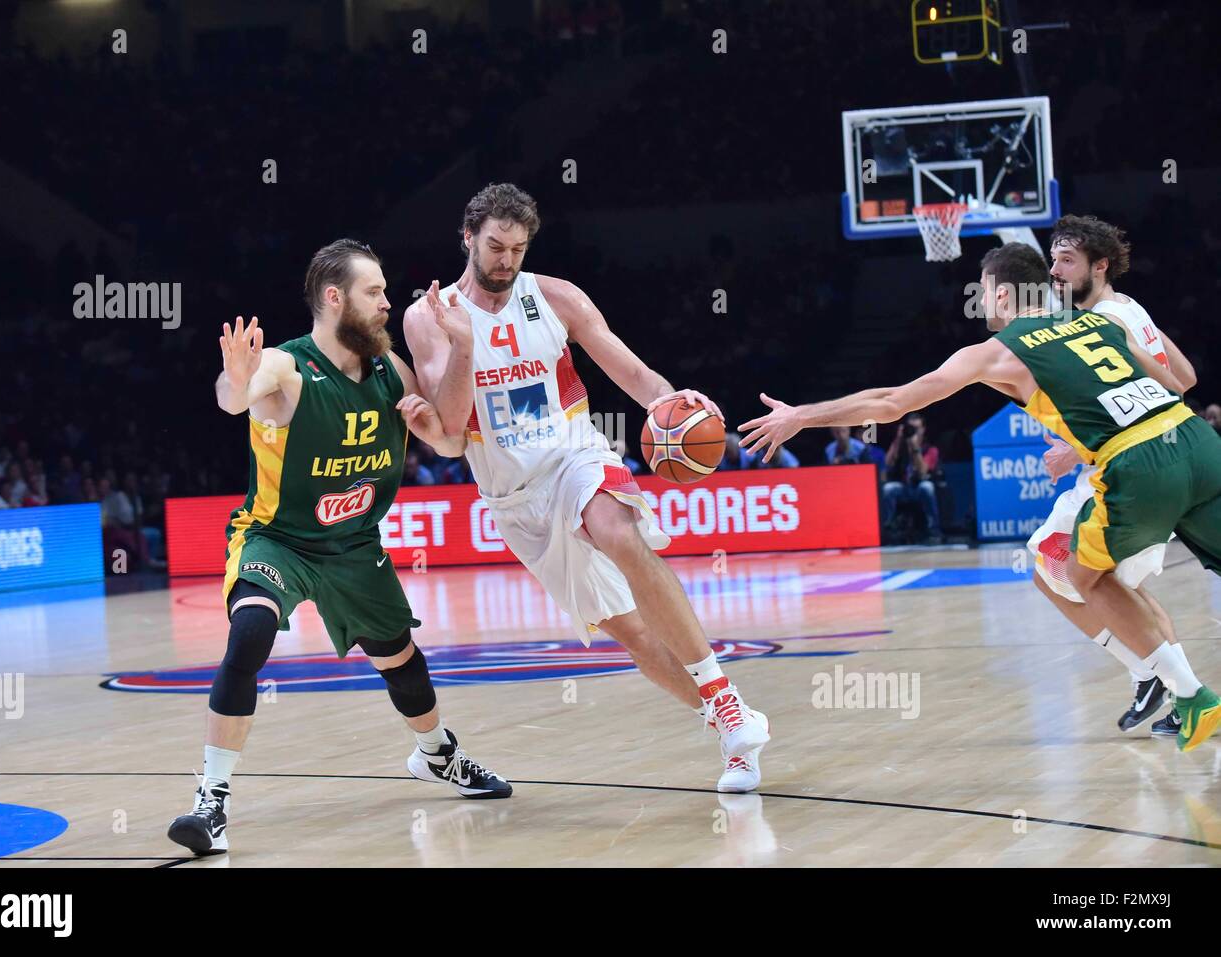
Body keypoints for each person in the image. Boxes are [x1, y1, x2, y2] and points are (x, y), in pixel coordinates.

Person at [740, 242, 1221, 752]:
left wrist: (800, 417)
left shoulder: (997, 352)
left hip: (1136, 463)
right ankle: (1163, 679)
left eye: (983, 291)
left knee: (1080, 574)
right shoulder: (1104, 323)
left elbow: (890, 402)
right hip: (1197, 442)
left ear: (1002, 293)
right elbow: (1173, 383)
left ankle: (1189, 694)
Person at [404, 184, 770, 792]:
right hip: (514, 500)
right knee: (635, 636)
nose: (506, 260)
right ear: (468, 238)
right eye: (496, 246)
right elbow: (447, 419)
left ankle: (726, 698)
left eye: (518, 248)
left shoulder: (557, 298)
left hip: (574, 454)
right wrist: (464, 343)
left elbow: (627, 367)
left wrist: (670, 398)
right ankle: (730, 725)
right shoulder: (429, 317)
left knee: (616, 531)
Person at [168, 239, 510, 857]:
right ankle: (211, 803)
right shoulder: (286, 367)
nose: (386, 303)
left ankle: (437, 754)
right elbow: (234, 395)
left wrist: (455, 367)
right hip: (279, 538)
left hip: (355, 545)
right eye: (374, 292)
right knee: (249, 638)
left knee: (401, 660)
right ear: (335, 298)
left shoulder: (393, 372)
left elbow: (452, 447)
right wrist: (237, 380)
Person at [1033, 215, 1199, 735]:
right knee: (1070, 573)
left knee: (1073, 578)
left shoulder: (1106, 320)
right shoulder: (1129, 307)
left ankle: (1163, 682)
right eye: (1053, 259)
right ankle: (1164, 687)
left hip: (1131, 475)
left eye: (1067, 260)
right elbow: (1184, 379)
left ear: (1098, 265)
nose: (1055, 269)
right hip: (1149, 467)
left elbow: (1159, 397)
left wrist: (1074, 451)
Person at [881, 413, 941, 543]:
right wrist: (898, 439)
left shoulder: (930, 449)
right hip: (903, 487)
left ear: (923, 429)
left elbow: (923, 471)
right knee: (888, 489)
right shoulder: (899, 445)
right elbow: (888, 463)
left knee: (928, 487)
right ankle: (887, 529)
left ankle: (934, 530)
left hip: (919, 487)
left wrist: (914, 447)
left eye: (917, 428)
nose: (913, 432)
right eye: (911, 428)